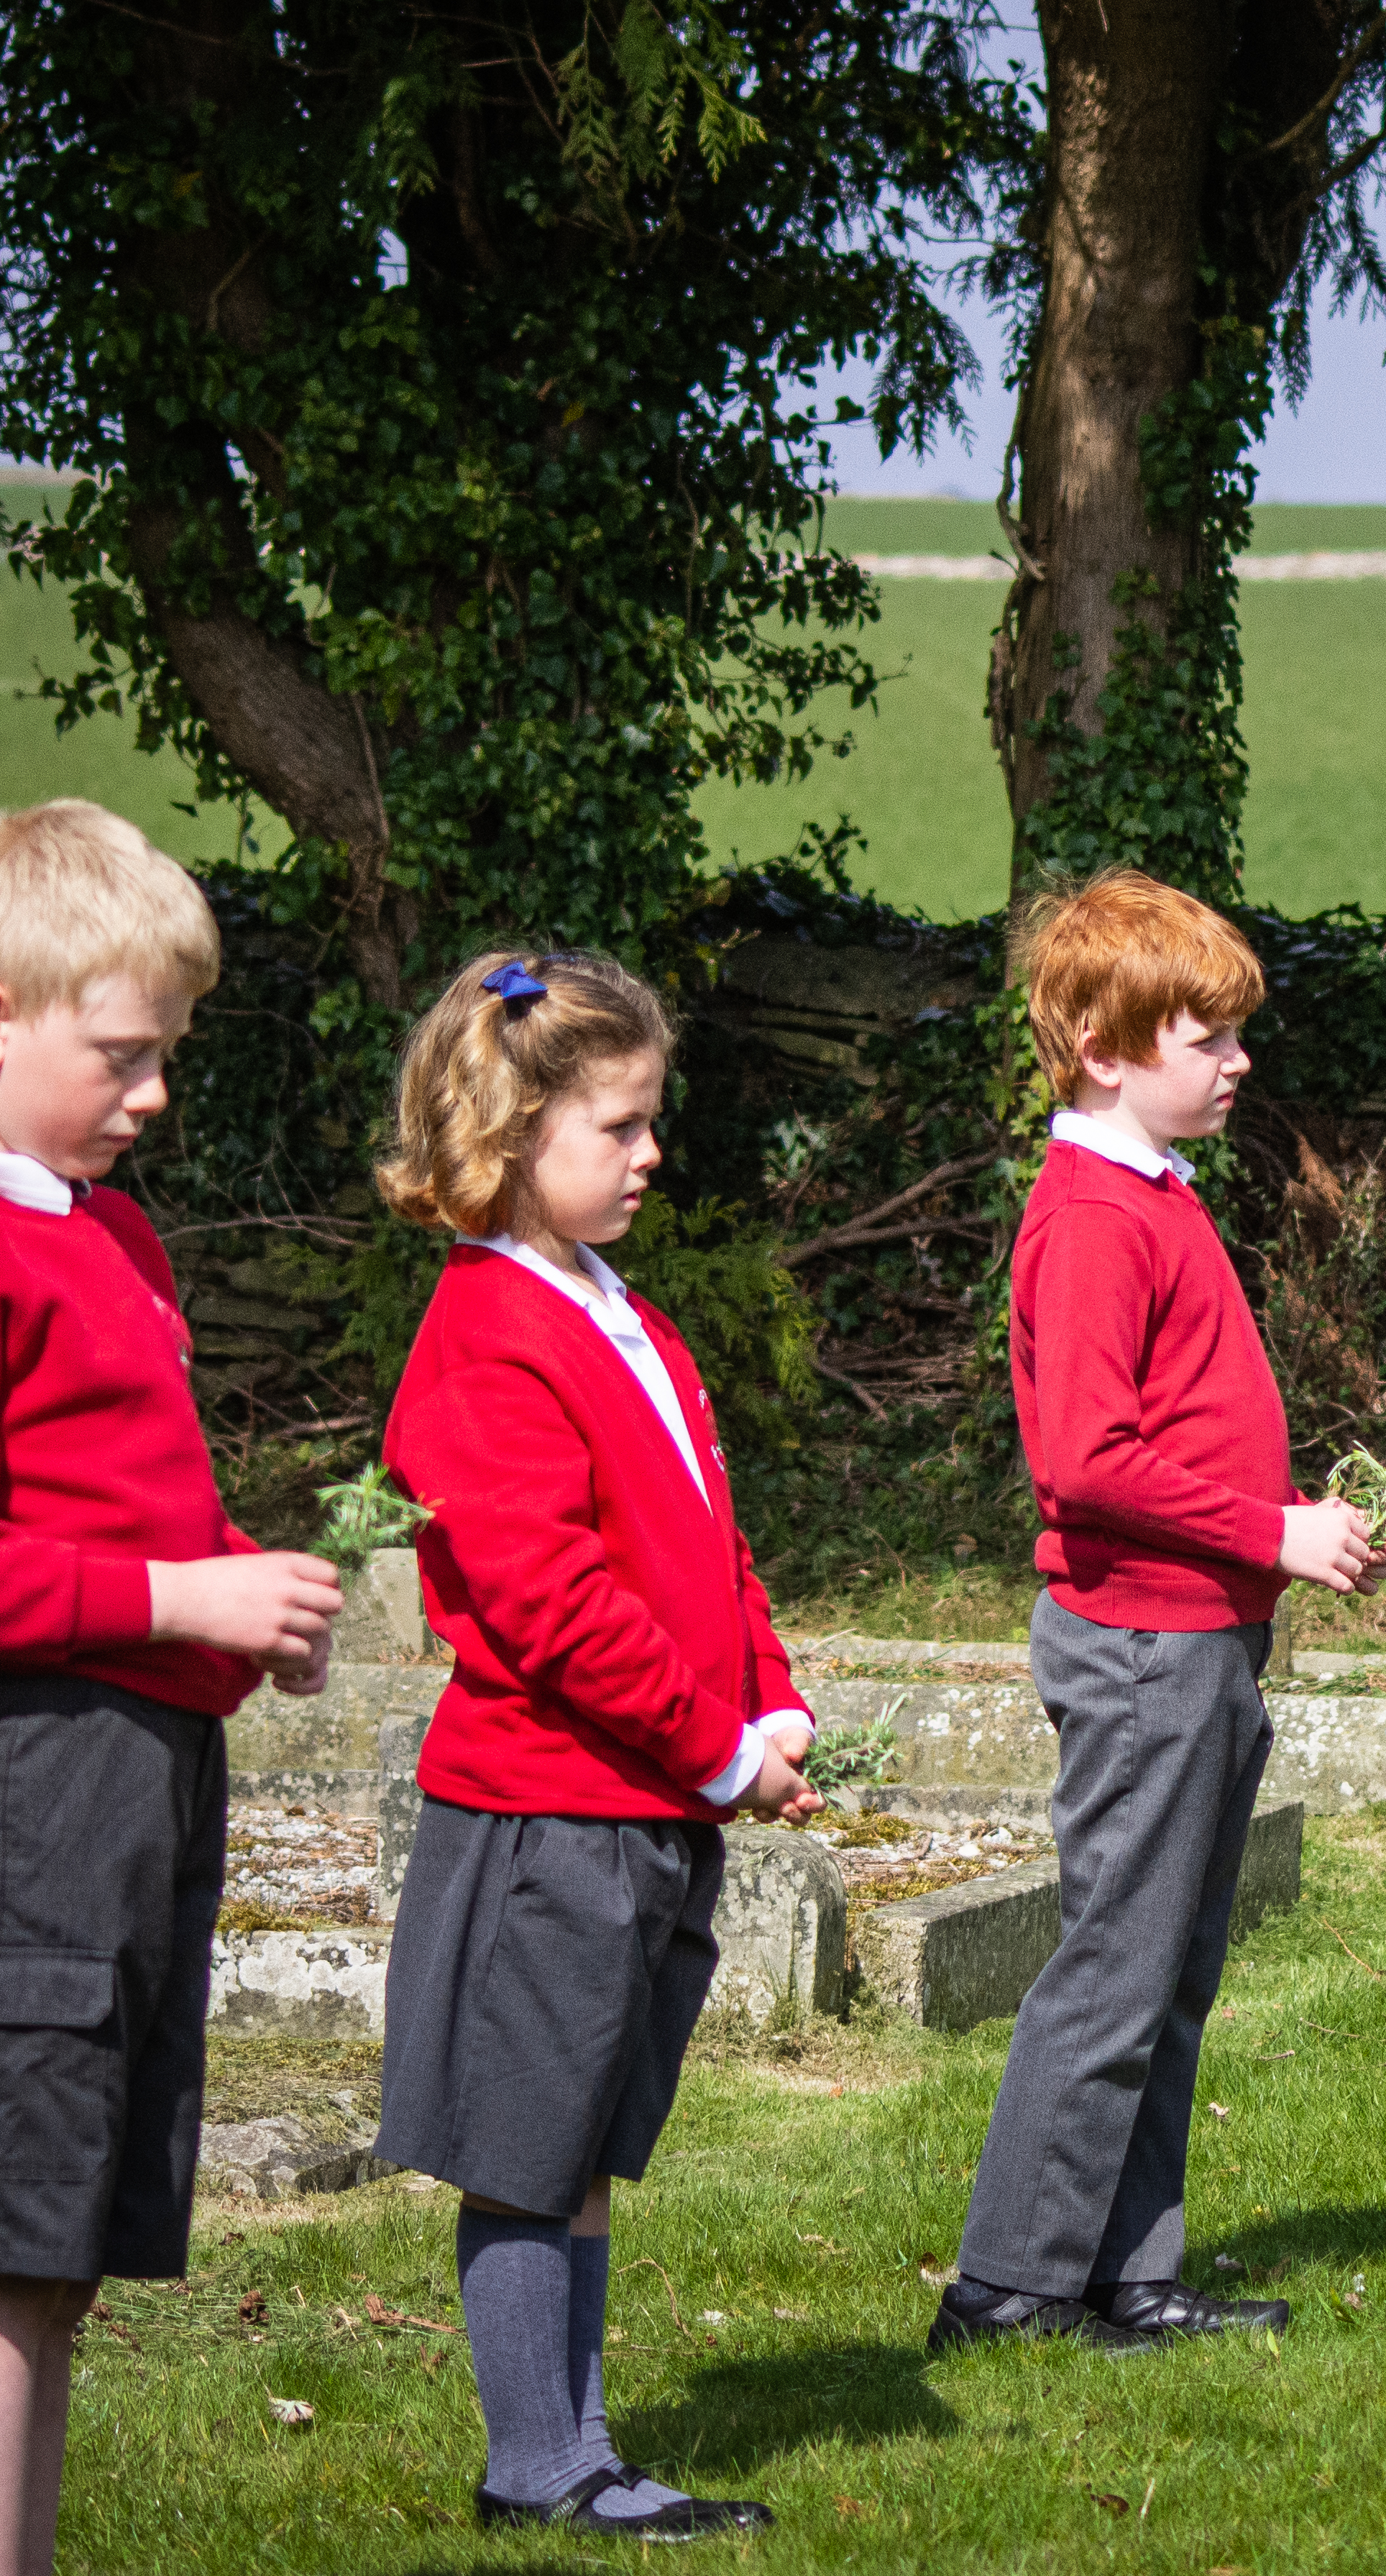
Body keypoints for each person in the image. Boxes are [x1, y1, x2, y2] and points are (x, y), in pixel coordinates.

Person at [0, 800, 341, 2576]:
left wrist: (230, 1614)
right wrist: (186, 1590)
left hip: (130, 1765)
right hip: (21, 1784)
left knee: (62, 2250)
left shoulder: (94, 1229)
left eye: (165, 1054)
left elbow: (114, 1501)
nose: (154, 1092)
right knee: (0, 2251)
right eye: (124, 1055)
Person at [373, 949, 814, 2540]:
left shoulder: (627, 1315)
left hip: (646, 1800)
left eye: (651, 1119)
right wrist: (717, 1750)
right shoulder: (487, 1335)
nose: (649, 1152)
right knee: (527, 2141)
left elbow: (709, 1543)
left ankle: (574, 2440)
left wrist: (770, 1697)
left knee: (586, 2141)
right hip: (551, 1806)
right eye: (618, 1125)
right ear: (506, 1134)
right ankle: (538, 2461)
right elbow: (553, 1605)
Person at [930, 871, 1385, 2352]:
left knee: (1172, 1965)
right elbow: (1087, 1457)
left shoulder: (1156, 1191)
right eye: (1209, 1036)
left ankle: (1128, 2269)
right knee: (1117, 1966)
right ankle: (1009, 2285)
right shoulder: (1090, 1219)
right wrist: (1274, 1529)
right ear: (1105, 1047)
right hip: (1142, 1642)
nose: (1239, 1061)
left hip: (1200, 1634)